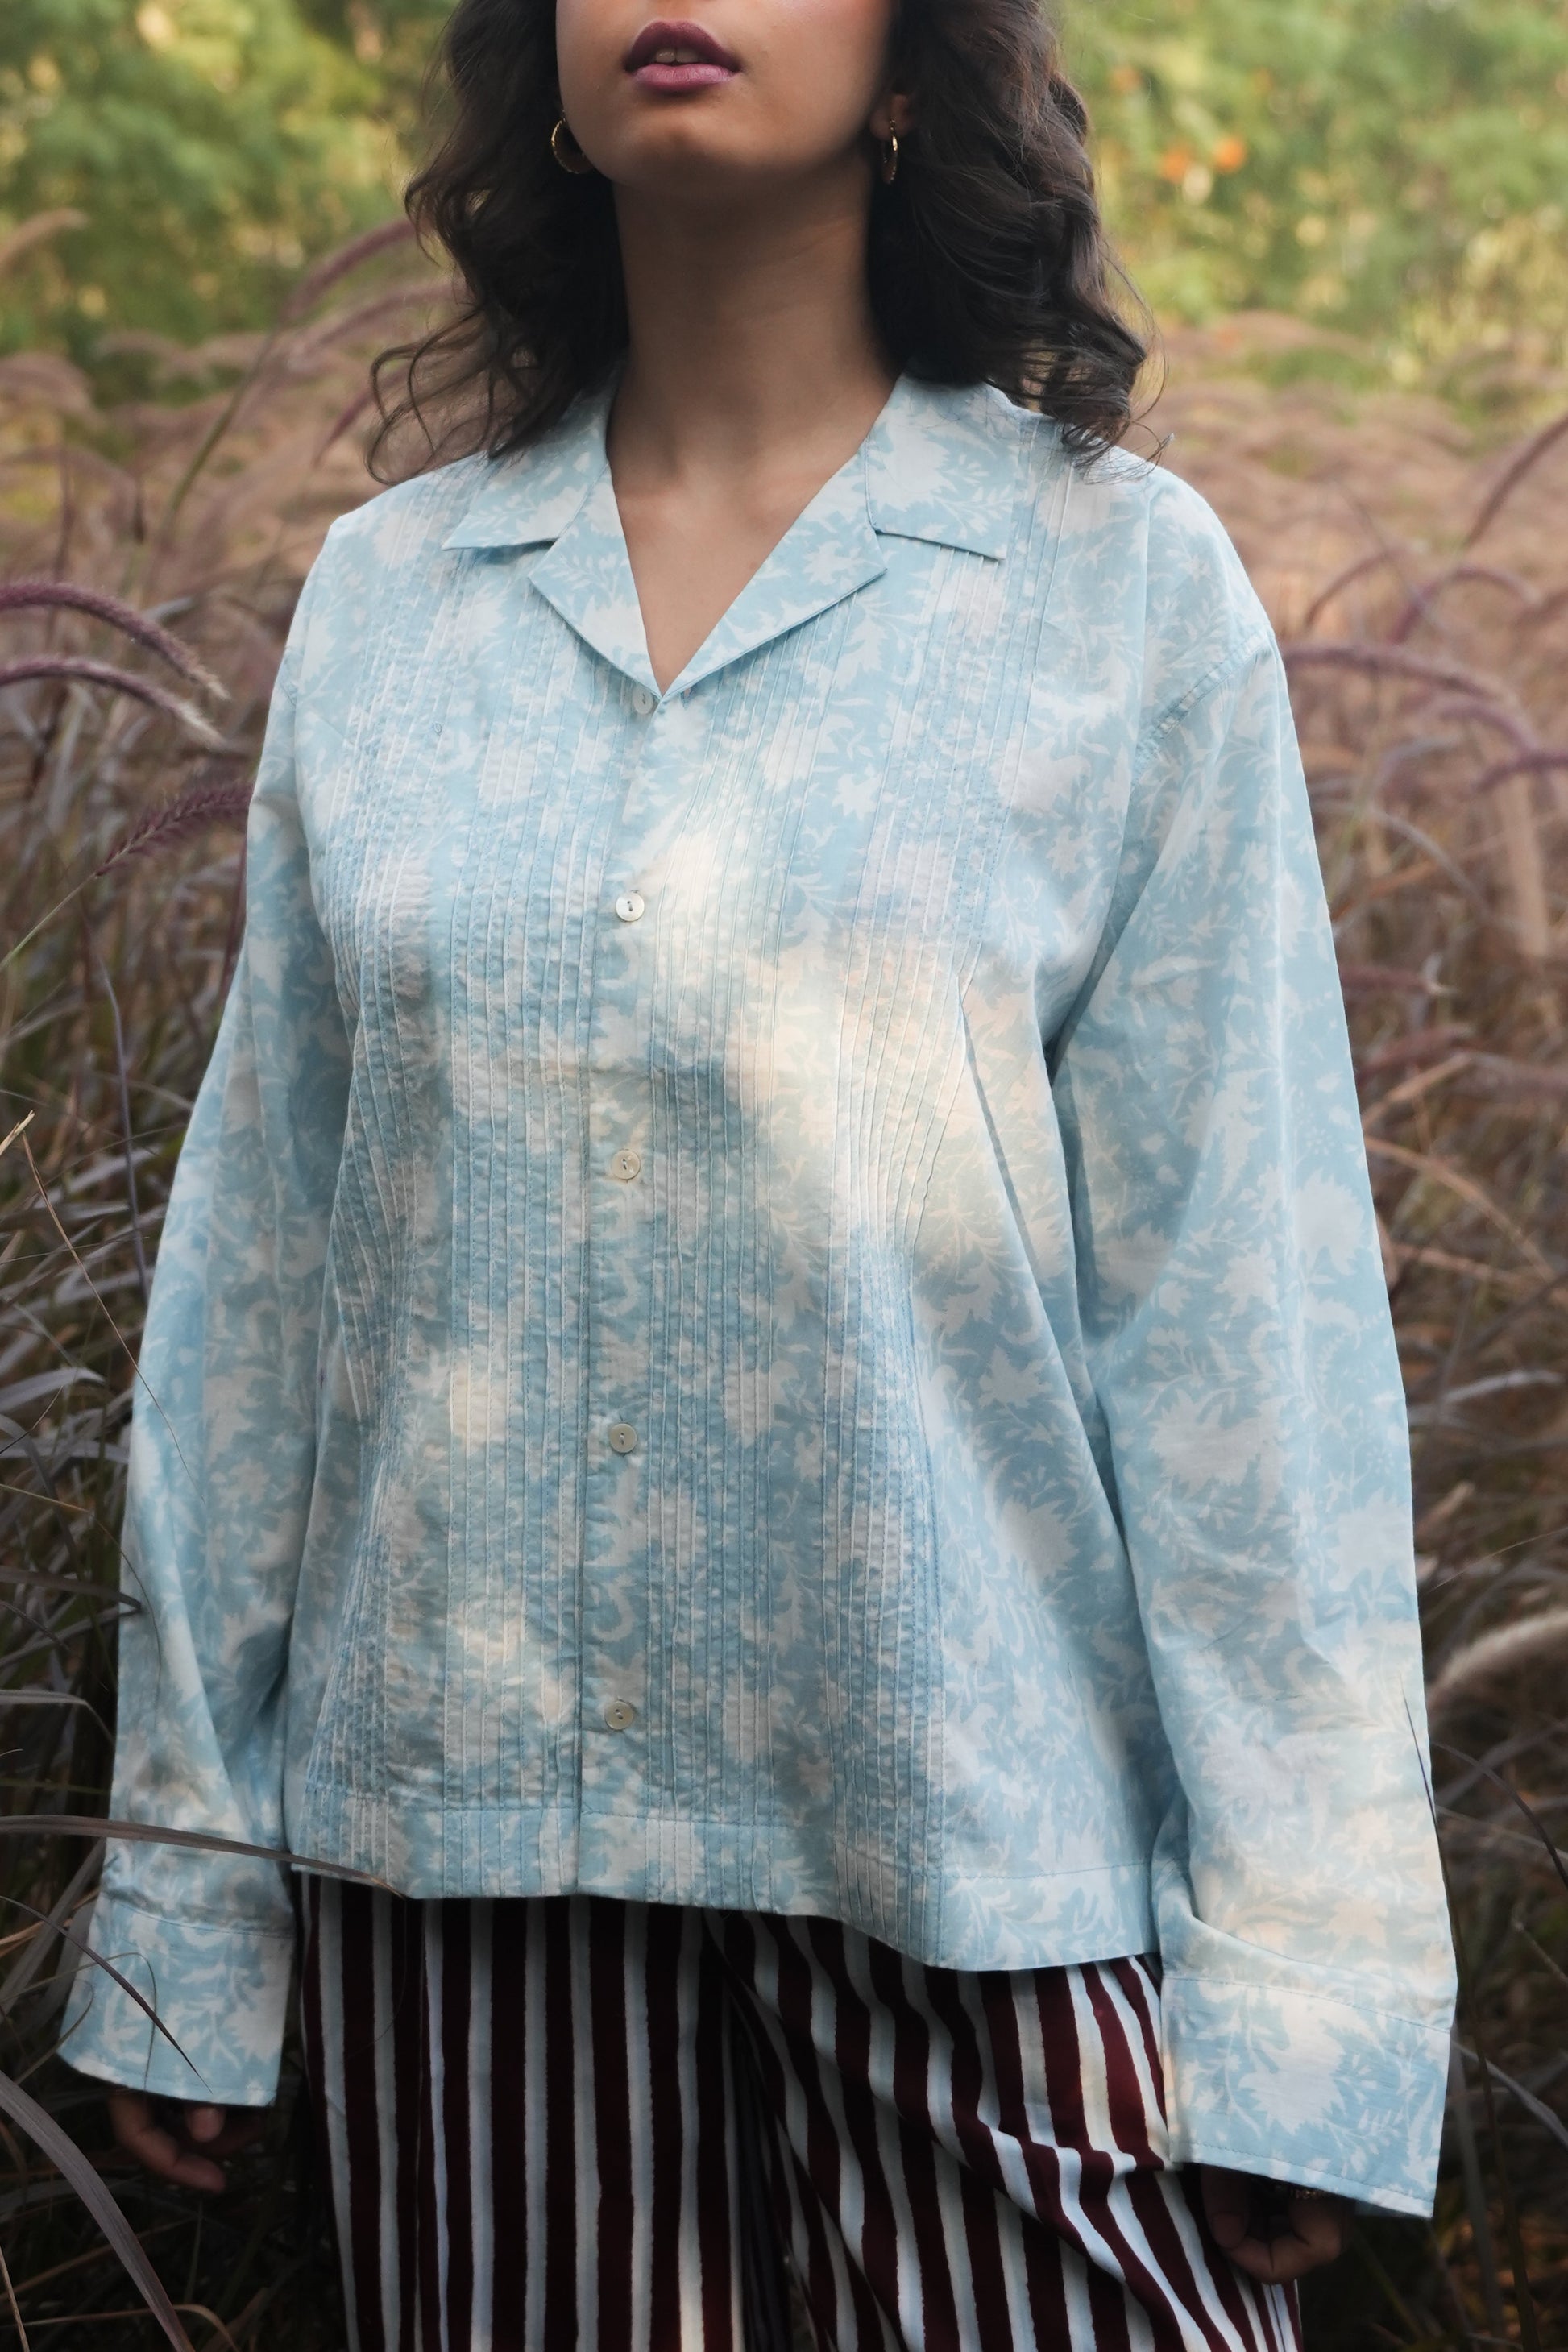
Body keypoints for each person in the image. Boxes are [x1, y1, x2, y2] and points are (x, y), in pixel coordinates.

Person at [60, 0, 1457, 2340]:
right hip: (461, 1895)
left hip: (977, 1885)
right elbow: (257, 1304)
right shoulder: (393, 601)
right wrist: (184, 1908)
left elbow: (1249, 1337)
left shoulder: (1112, 589)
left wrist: (1304, 2001)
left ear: (916, 65)